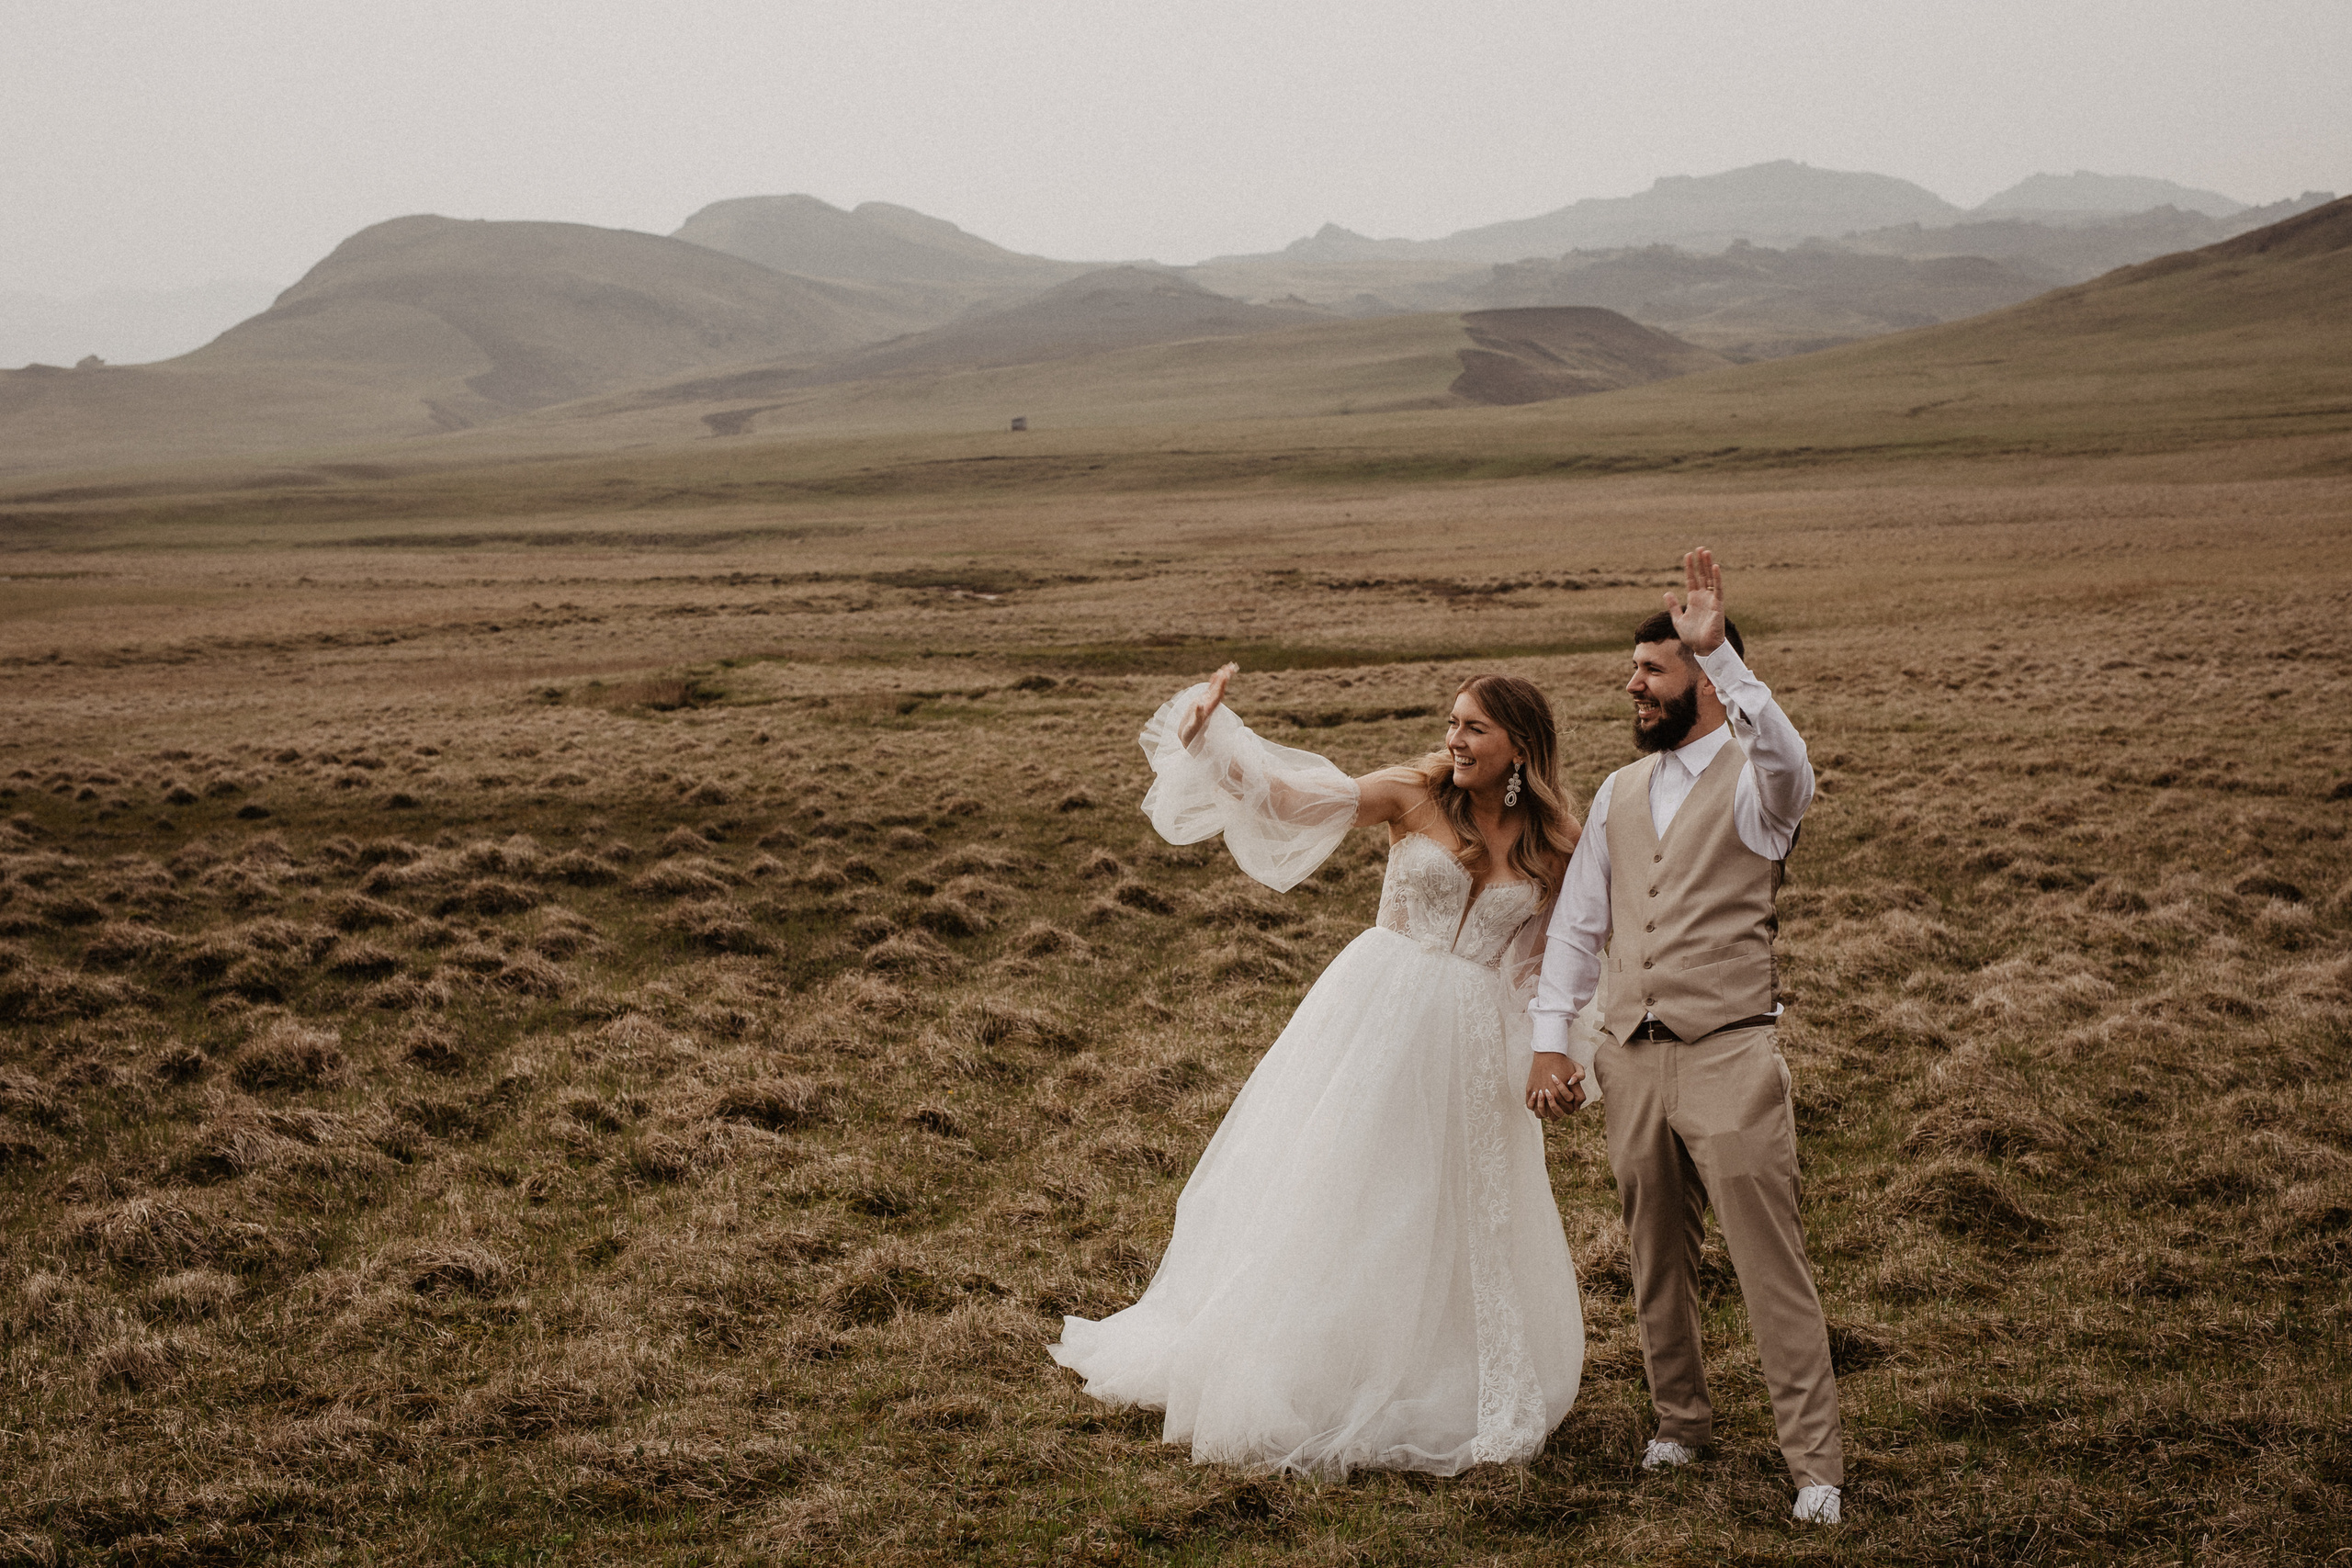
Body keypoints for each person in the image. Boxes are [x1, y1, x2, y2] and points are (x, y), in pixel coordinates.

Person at [1049, 667, 1605, 1476]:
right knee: (1347, 1182)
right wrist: (1216, 743)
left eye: (1474, 728)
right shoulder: (1412, 794)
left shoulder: (1557, 843)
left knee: (1449, 1202)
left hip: (1472, 1045)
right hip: (1377, 1014)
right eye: (1452, 722)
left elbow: (1549, 969)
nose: (1454, 739)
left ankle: (1435, 1365)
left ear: (1520, 745)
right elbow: (1288, 801)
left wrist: (1555, 1060)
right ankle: (1313, 1362)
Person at [1528, 547, 1845, 1525]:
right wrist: (1555, 1041)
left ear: (1703, 681)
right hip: (1629, 1054)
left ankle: (1815, 1465)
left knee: (1766, 1261)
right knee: (1653, 1250)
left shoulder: (1760, 787)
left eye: (1652, 670)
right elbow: (1581, 926)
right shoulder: (1620, 792)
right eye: (1635, 669)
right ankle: (1680, 1422)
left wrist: (1724, 652)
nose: (1633, 684)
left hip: (1731, 1055)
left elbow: (1792, 763)